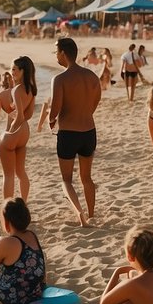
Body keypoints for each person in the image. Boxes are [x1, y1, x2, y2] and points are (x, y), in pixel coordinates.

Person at [49, 37, 101, 226]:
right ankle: (92, 213)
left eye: (56, 52)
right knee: (87, 177)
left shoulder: (60, 79)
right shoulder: (92, 76)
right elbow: (95, 101)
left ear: (63, 53)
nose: (55, 55)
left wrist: (50, 119)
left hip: (68, 133)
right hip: (89, 131)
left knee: (66, 180)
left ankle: (79, 213)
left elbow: (55, 109)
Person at [0, 56, 36, 200]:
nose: (11, 72)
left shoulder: (10, 93)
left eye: (13, 69)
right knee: (21, 172)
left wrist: (7, 132)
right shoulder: (31, 90)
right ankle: (23, 203)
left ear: (22, 71)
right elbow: (28, 115)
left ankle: (8, 207)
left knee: (8, 175)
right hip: (24, 133)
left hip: (13, 134)